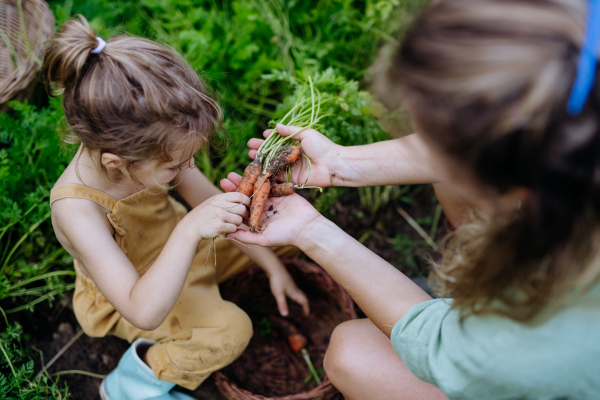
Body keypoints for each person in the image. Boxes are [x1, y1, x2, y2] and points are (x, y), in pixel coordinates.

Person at [221, 0, 600, 398]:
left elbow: (439, 347)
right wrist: (339, 164)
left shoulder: (535, 338)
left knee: (353, 354)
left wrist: (312, 231)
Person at [43, 16, 309, 400]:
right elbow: (142, 309)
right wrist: (189, 230)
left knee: (284, 230)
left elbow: (203, 201)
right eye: (174, 167)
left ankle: (248, 272)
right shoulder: (77, 209)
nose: (185, 171)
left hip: (192, 254)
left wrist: (273, 266)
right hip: (140, 291)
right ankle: (129, 385)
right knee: (231, 331)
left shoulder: (156, 148)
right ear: (117, 162)